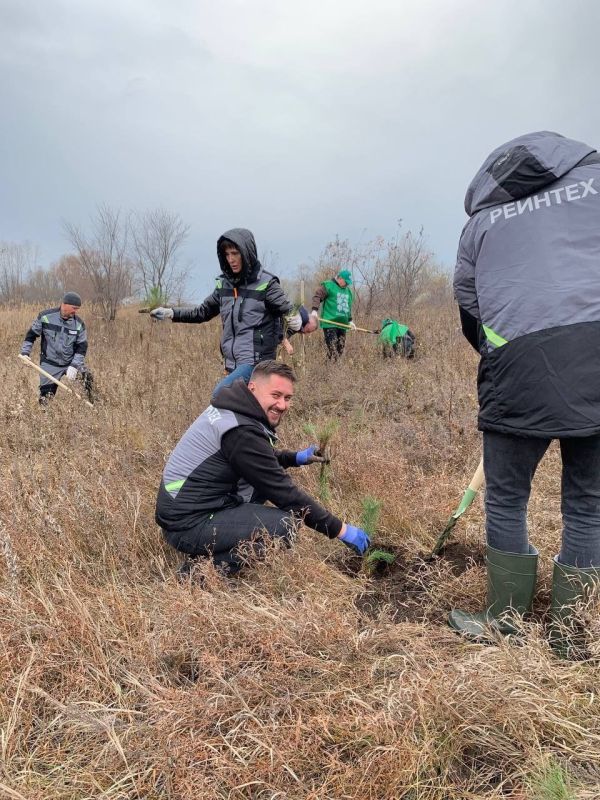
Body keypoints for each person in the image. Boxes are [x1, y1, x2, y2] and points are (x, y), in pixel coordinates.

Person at [450, 131, 600, 656]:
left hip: (517, 366)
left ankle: (505, 621)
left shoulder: (482, 222)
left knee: (507, 498)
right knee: (589, 503)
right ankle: (571, 633)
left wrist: (501, 354)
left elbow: (469, 303)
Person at [156, 360, 370, 575]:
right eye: (275, 395)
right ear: (253, 388)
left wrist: (294, 458)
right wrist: (340, 530)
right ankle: (197, 574)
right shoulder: (240, 431)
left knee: (257, 489)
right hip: (186, 524)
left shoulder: (233, 407)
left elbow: (253, 458)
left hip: (187, 508)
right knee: (284, 527)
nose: (282, 405)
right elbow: (283, 492)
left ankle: (216, 542)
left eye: (288, 398)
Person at [150, 228, 293, 394]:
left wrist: (288, 331)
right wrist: (171, 313)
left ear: (247, 253)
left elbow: (289, 311)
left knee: (221, 394)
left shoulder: (266, 284)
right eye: (227, 255)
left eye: (235, 253)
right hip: (232, 363)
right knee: (242, 413)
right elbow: (202, 312)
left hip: (256, 364)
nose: (231, 259)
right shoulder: (224, 285)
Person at [20, 291, 92, 405]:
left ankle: (95, 406)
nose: (75, 311)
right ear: (64, 304)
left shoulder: (79, 324)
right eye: (74, 308)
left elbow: (82, 348)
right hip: (50, 363)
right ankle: (45, 418)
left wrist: (74, 366)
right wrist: (25, 353)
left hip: (70, 363)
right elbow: (31, 335)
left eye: (77, 309)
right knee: (45, 398)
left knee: (87, 378)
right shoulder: (45, 317)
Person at [310, 269, 355, 359]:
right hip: (330, 323)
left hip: (342, 325)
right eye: (346, 282)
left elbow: (348, 307)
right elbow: (317, 296)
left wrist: (350, 321)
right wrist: (314, 310)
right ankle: (329, 370)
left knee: (340, 350)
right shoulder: (328, 286)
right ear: (340, 278)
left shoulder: (348, 292)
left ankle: (334, 370)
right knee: (332, 349)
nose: (347, 284)